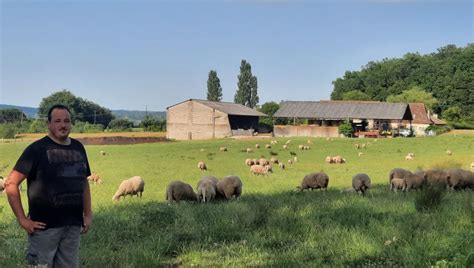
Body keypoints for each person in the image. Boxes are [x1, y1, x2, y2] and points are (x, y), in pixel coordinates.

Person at [5, 104, 92, 267]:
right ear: (49, 124)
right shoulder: (36, 149)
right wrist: (23, 220)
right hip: (44, 229)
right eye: (57, 121)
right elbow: (11, 184)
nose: (63, 125)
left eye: (66, 121)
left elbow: (84, 183)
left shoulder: (78, 148)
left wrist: (88, 214)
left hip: (73, 226)